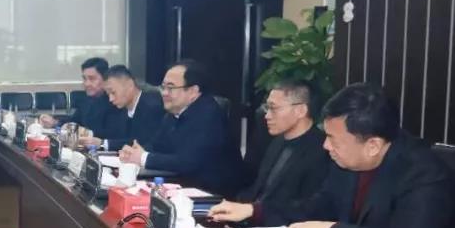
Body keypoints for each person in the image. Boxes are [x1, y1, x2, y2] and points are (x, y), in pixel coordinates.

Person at [209, 84, 455, 228]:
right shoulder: (349, 160)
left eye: (333, 139)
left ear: (373, 145)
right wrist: (254, 210)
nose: (325, 146)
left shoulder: (425, 175)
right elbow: (316, 208)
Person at [119, 59, 245, 195]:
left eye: (171, 88)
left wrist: (144, 157)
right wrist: (137, 152)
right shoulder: (173, 113)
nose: (164, 93)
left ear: (193, 91)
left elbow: (188, 162)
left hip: (212, 194)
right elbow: (157, 145)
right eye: (163, 87)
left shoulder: (209, 115)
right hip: (182, 184)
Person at [235, 79, 329, 205]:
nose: (267, 116)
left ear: (300, 111)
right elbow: (258, 190)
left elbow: (305, 207)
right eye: (267, 108)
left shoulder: (321, 150)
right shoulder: (276, 141)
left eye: (274, 108)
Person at [40, 57, 119, 140]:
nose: (87, 83)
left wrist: (87, 133)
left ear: (105, 79)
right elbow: (73, 122)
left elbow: (113, 134)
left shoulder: (114, 101)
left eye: (92, 79)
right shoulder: (86, 100)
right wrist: (54, 123)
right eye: (84, 79)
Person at [100, 65, 164, 150]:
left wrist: (103, 143)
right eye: (108, 94)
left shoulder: (152, 107)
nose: (110, 99)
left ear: (130, 85)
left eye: (113, 92)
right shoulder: (121, 109)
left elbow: (143, 143)